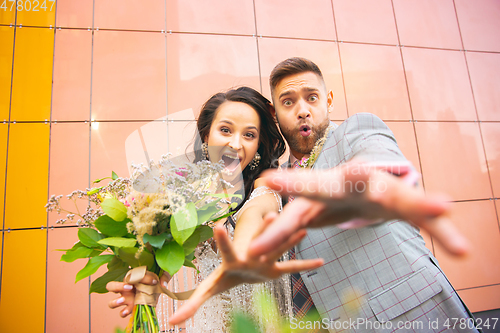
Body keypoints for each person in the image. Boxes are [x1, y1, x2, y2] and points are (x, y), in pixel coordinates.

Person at [169, 58, 479, 333]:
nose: (302, 110)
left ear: (328, 101)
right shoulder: (277, 178)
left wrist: (362, 189)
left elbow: (378, 169)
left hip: (413, 317)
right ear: (275, 115)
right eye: (288, 102)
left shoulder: (356, 132)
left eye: (312, 98)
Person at [106, 86, 323, 331]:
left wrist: (240, 249)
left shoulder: (265, 186)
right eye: (225, 130)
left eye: (249, 135)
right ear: (206, 137)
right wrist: (148, 286)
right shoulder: (185, 198)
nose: (235, 143)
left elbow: (256, 212)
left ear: (258, 148)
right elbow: (170, 255)